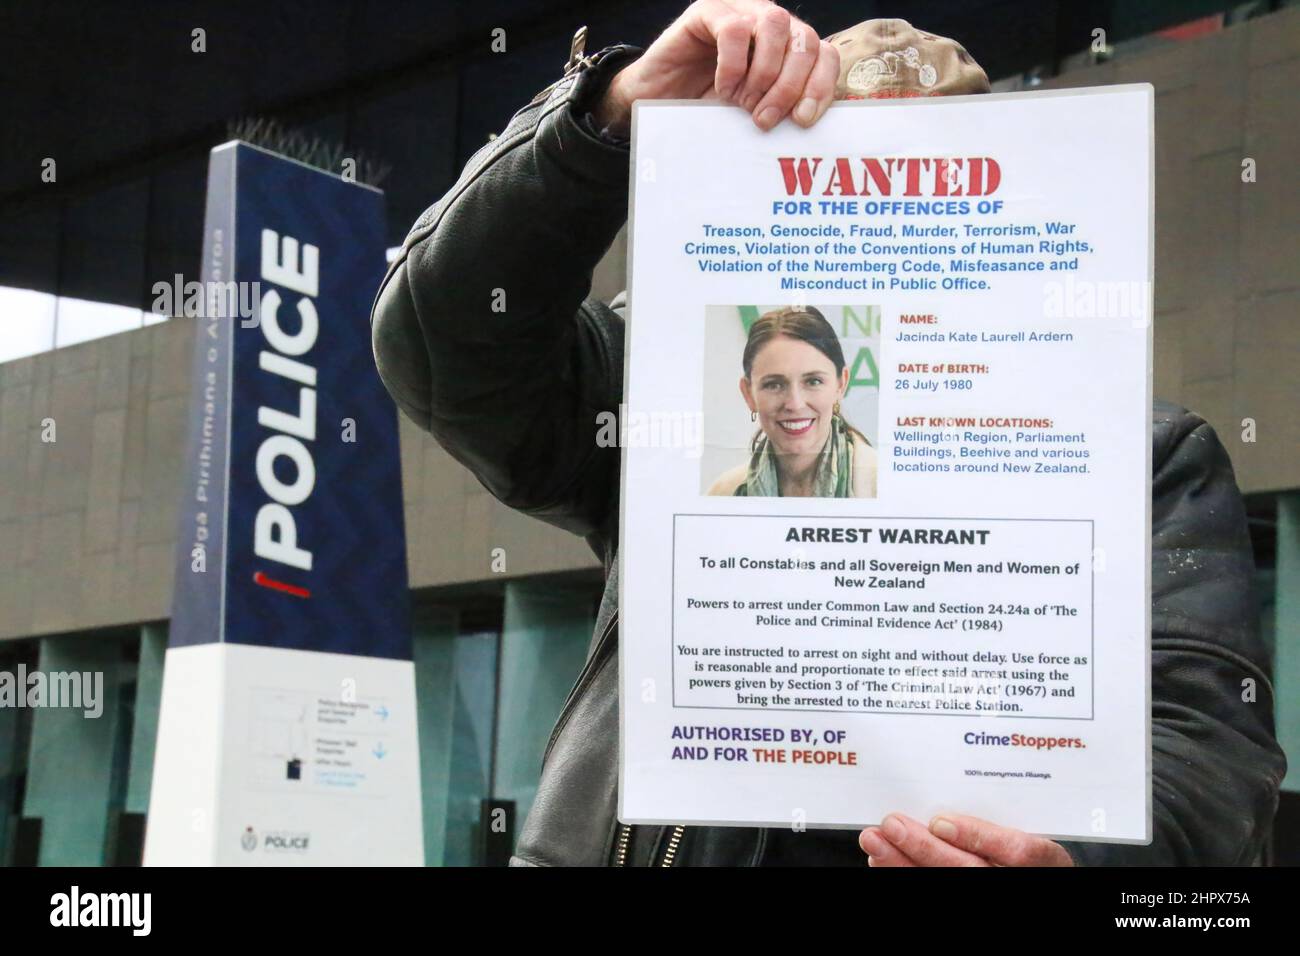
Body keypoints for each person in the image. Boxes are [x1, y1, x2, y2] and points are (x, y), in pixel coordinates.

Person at [370, 2, 1287, 866]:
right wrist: (603, 123)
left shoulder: (1139, 459)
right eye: (821, 180)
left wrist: (1073, 860)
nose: (871, 221)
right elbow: (441, 342)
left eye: (919, 182)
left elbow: (1210, 752)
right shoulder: (661, 403)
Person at [706, 305, 878, 498]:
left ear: (841, 384)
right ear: (748, 394)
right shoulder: (723, 493)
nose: (795, 404)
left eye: (813, 381)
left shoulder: (882, 484)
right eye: (774, 385)